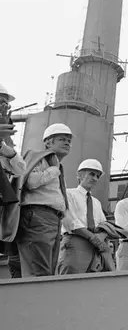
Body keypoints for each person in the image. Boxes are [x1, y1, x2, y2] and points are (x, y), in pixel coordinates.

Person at [14, 123, 73, 277]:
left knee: (46, 271)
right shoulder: (37, 157)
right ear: (48, 142)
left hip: (52, 220)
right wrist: (53, 170)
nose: (67, 142)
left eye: (69, 140)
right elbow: (31, 182)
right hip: (38, 216)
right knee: (38, 270)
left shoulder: (58, 166)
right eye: (62, 139)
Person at [57, 159, 109, 274]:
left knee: (91, 286)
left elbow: (104, 225)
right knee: (71, 283)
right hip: (76, 242)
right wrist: (92, 237)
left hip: (95, 247)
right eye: (91, 174)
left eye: (97, 176)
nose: (95, 178)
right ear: (80, 175)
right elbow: (69, 221)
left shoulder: (96, 202)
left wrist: (99, 239)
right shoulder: (68, 194)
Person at [0, 84, 25, 278]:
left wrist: (9, 150)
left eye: (5, 104)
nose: (4, 108)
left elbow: (20, 169)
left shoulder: (5, 141)